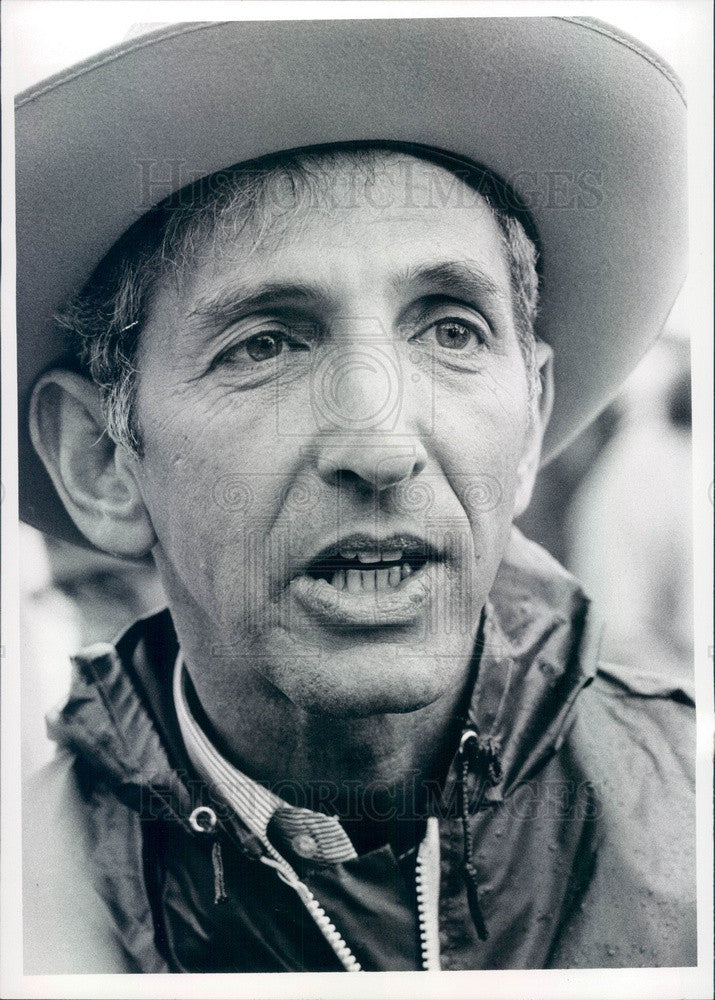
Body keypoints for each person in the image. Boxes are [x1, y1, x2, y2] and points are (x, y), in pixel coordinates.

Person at [16, 18, 694, 974]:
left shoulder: (690, 824)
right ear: (101, 460)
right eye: (265, 345)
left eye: (450, 331)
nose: (379, 446)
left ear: (531, 418)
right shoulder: (33, 911)